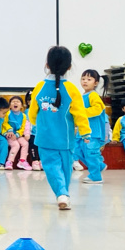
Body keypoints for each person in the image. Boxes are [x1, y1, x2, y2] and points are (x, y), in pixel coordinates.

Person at [28, 46, 91, 210]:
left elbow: (32, 112)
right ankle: (63, 194)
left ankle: (62, 193)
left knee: (52, 168)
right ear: (69, 67)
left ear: (47, 65)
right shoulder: (72, 89)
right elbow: (80, 114)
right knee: (65, 169)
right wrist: (85, 132)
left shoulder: (40, 87)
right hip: (66, 139)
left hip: (44, 138)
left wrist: (36, 122)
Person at [74, 70, 107, 184]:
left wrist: (82, 113)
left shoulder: (93, 95)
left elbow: (98, 109)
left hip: (93, 132)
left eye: (89, 79)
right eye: (83, 79)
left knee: (90, 153)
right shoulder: (82, 96)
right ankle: (99, 166)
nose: (85, 81)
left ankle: (96, 176)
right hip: (82, 132)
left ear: (96, 83)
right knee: (77, 150)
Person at [4, 95, 31, 170]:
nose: (15, 103)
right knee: (16, 145)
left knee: (25, 143)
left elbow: (22, 127)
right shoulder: (7, 114)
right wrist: (9, 131)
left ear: (21, 106)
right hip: (9, 135)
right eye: (13, 102)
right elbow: (4, 123)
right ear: (10, 106)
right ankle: (9, 161)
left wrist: (17, 134)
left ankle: (22, 161)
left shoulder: (24, 116)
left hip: (18, 135)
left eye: (18, 102)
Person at [24, 90, 42, 170]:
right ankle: (35, 161)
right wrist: (27, 133)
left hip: (41, 133)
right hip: (32, 133)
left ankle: (42, 161)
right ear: (28, 102)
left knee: (43, 145)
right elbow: (27, 123)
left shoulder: (41, 111)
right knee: (33, 143)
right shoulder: (27, 111)